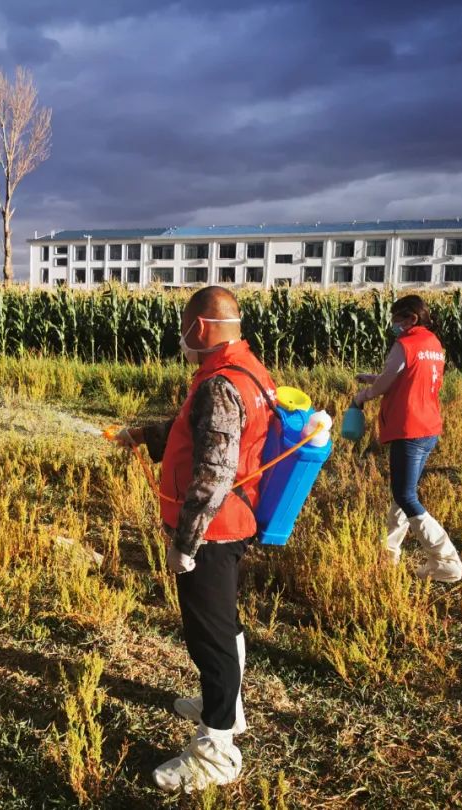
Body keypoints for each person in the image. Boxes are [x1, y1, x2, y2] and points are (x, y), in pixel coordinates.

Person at [116, 285, 276, 793]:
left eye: (185, 332)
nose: (183, 342)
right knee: (223, 625)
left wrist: (186, 541)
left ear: (200, 329)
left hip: (214, 528)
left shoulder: (220, 383)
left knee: (209, 637)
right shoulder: (247, 369)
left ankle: (216, 750)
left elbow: (215, 466)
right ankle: (224, 706)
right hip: (234, 520)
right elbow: (204, 432)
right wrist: (146, 435)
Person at [353, 294, 462, 582]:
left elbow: (386, 383)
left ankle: (446, 560)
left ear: (412, 319)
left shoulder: (405, 343)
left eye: (398, 319)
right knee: (401, 492)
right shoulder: (433, 345)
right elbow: (409, 376)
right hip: (428, 427)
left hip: (408, 428)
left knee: (405, 494)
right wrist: (374, 377)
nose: (394, 325)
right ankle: (388, 554)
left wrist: (363, 395)